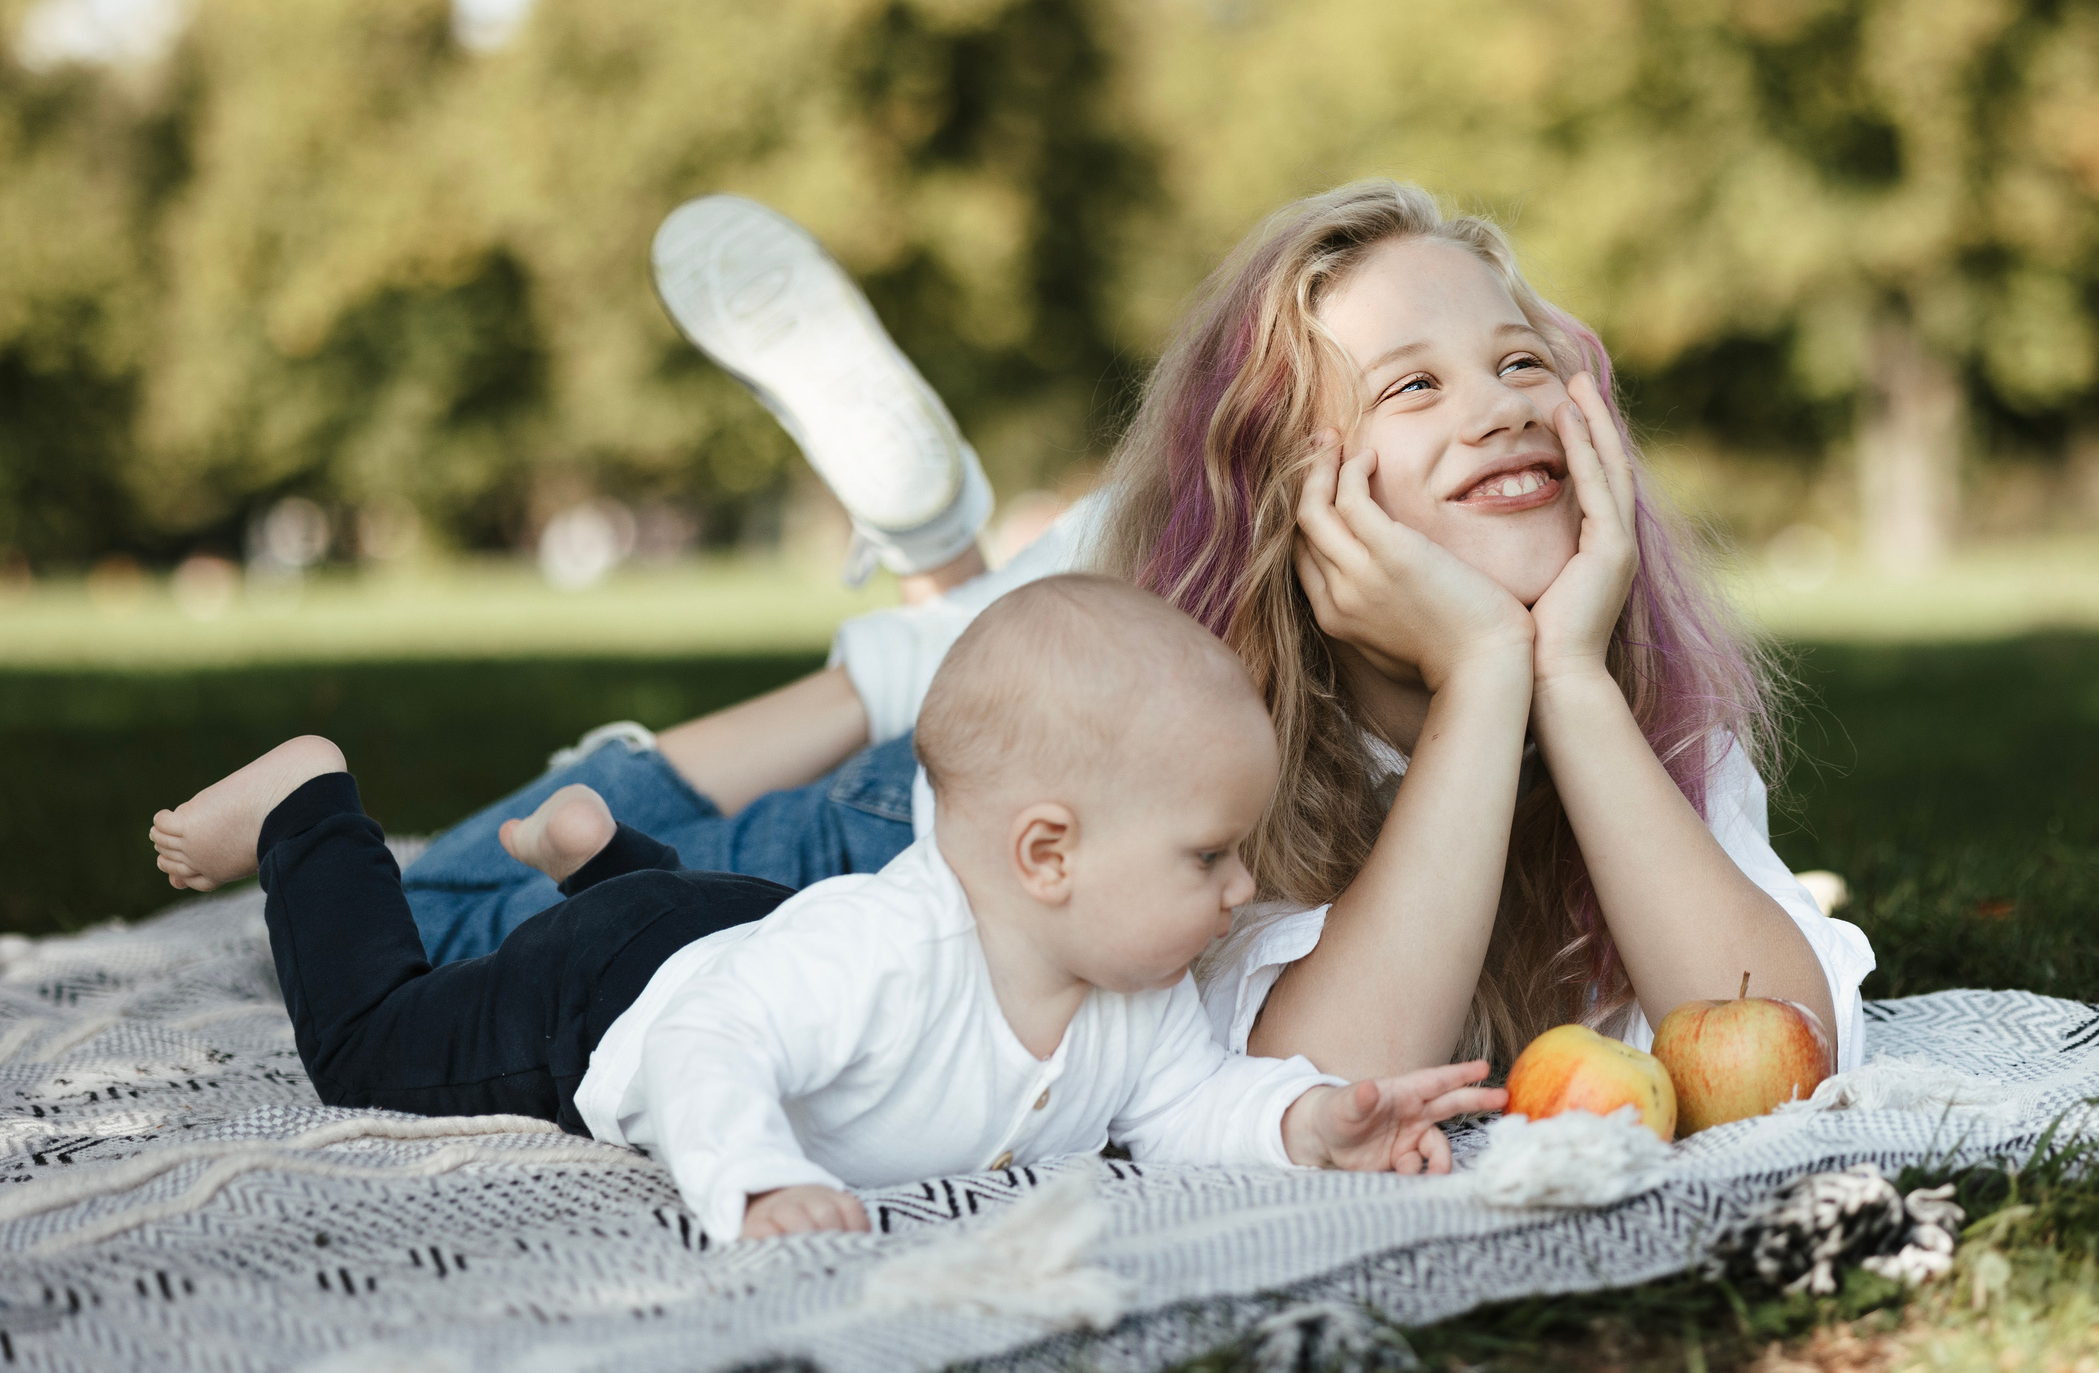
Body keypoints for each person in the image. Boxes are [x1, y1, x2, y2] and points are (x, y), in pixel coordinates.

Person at [382, 181, 1874, 1078]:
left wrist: (1558, 674)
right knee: (423, 919)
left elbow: (1776, 1045)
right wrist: (1488, 673)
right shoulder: (1207, 720)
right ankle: (927, 604)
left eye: (1522, 361)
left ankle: (944, 588)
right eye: (1411, 388)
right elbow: (1317, 1077)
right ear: (1304, 501)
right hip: (884, 833)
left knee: (987, 637)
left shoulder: (1641, 699)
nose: (1498, 406)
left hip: (1062, 669)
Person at [147, 576, 1505, 1243]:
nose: (1245, 888)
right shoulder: (887, 953)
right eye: (1210, 857)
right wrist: (758, 1179)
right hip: (619, 989)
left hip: (726, 917)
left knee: (702, 918)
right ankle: (311, 808)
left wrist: (1313, 1123)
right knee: (372, 1040)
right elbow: (712, 1048)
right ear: (1048, 856)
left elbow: (1197, 1108)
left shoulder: (1128, 999)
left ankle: (599, 848)